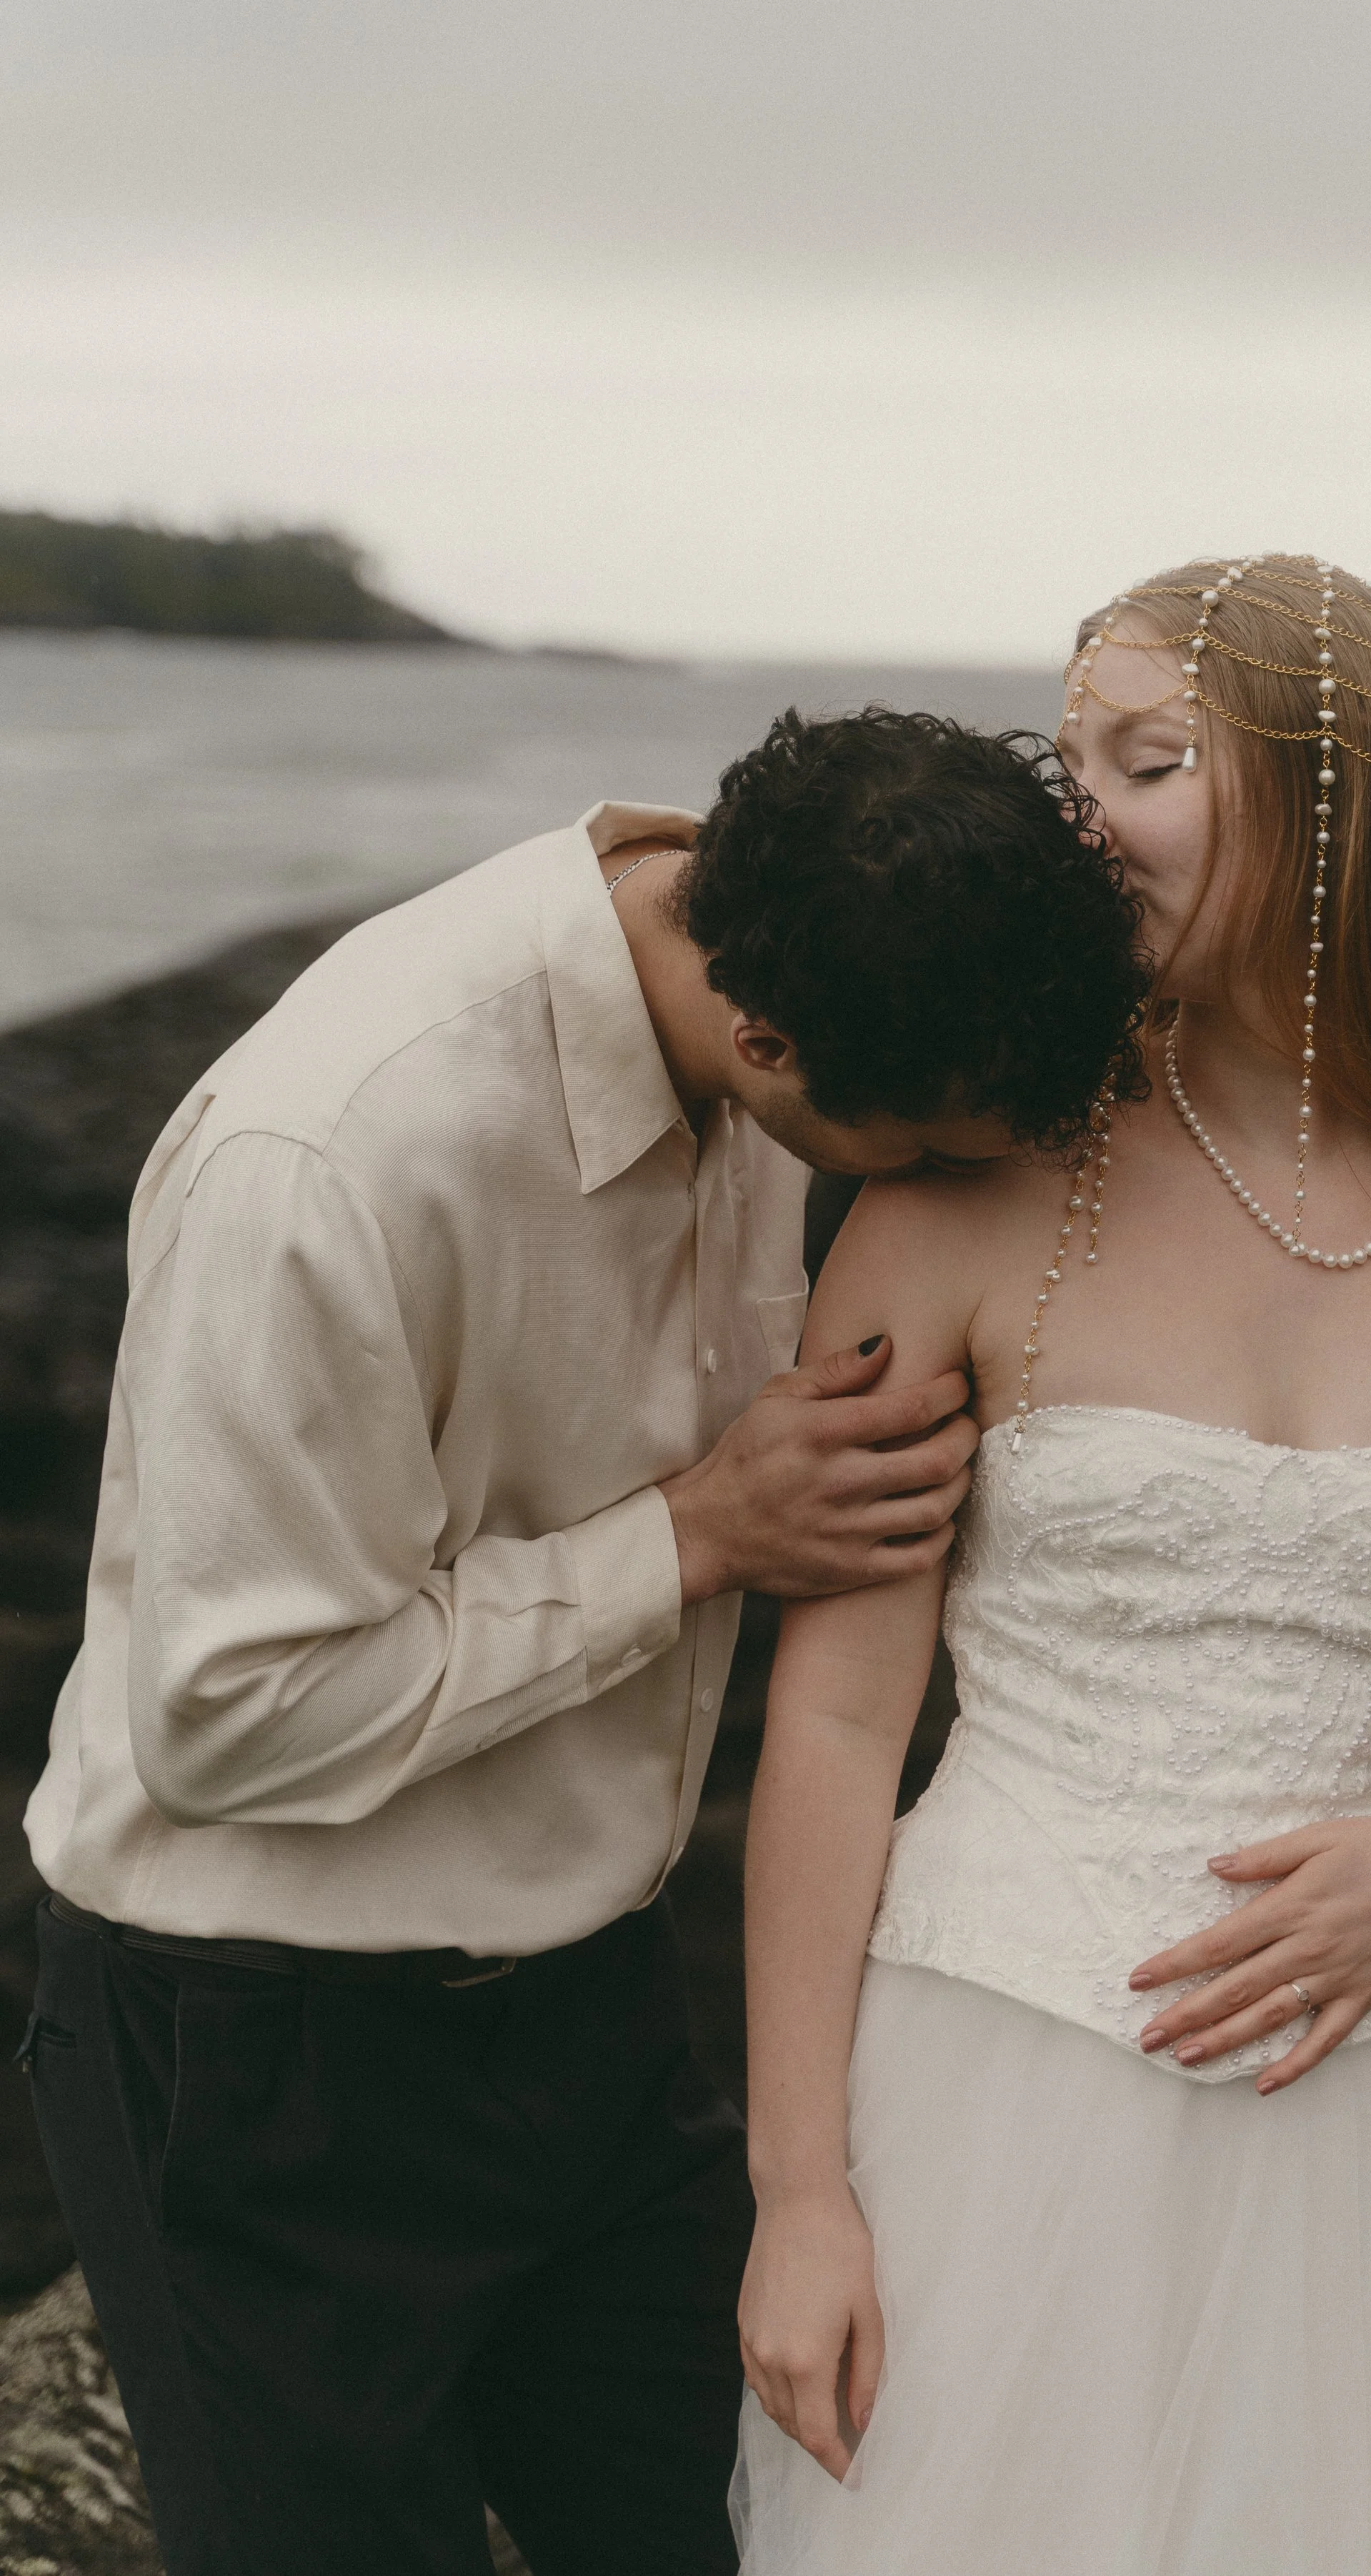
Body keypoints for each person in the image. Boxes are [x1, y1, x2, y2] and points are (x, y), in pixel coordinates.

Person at [733, 560, 1371, 2572]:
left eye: (1145, 760)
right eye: (1067, 763)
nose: (1082, 814)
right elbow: (842, 1716)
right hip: (1001, 2090)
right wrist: (802, 2189)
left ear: (1332, 800)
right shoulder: (953, 1201)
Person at [18, 705, 1150, 2576]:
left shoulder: (823, 939)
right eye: (919, 1156)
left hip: (596, 2011)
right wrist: (700, 1534)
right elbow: (224, 1714)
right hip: (262, 2049)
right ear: (767, 1040)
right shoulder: (337, 1153)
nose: (932, 1198)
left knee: (758, 2539)